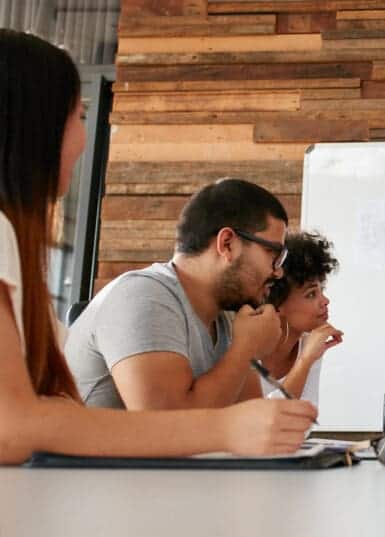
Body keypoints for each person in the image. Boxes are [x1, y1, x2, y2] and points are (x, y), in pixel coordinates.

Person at [0, 29, 315, 464]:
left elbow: (49, 411)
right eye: (80, 116)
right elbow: (13, 428)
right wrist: (226, 421)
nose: (83, 139)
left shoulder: (229, 320)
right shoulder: (144, 294)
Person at [66, 177, 292, 410]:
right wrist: (246, 349)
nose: (278, 271)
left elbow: (250, 420)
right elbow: (166, 424)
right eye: (273, 254)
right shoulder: (144, 296)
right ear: (227, 244)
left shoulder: (228, 318)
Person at [260, 231, 344, 403]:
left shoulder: (310, 344)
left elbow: (306, 416)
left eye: (321, 290)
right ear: (277, 303)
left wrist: (308, 357)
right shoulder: (247, 346)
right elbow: (264, 417)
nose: (325, 301)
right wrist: (304, 361)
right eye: (311, 294)